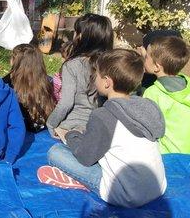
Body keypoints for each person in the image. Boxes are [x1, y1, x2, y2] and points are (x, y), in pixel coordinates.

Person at [38, 49, 167, 208]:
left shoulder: (104, 115)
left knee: (55, 152)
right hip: (157, 187)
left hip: (126, 194)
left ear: (107, 82)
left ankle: (80, 182)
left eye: (96, 75)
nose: (94, 79)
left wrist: (71, 135)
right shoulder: (149, 106)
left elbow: (85, 157)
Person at [46, 13, 113, 137]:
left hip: (73, 127)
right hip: (104, 126)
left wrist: (50, 124)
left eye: (76, 32)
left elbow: (66, 103)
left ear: (82, 36)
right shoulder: (111, 64)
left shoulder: (72, 65)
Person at [142, 36, 190, 154]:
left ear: (157, 66)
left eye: (146, 57)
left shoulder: (153, 93)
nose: (144, 59)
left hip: (170, 157)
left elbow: (147, 129)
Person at [3, 44, 56, 133]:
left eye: (12, 57)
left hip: (19, 132)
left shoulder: (7, 84)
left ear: (15, 62)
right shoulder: (47, 81)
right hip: (44, 129)